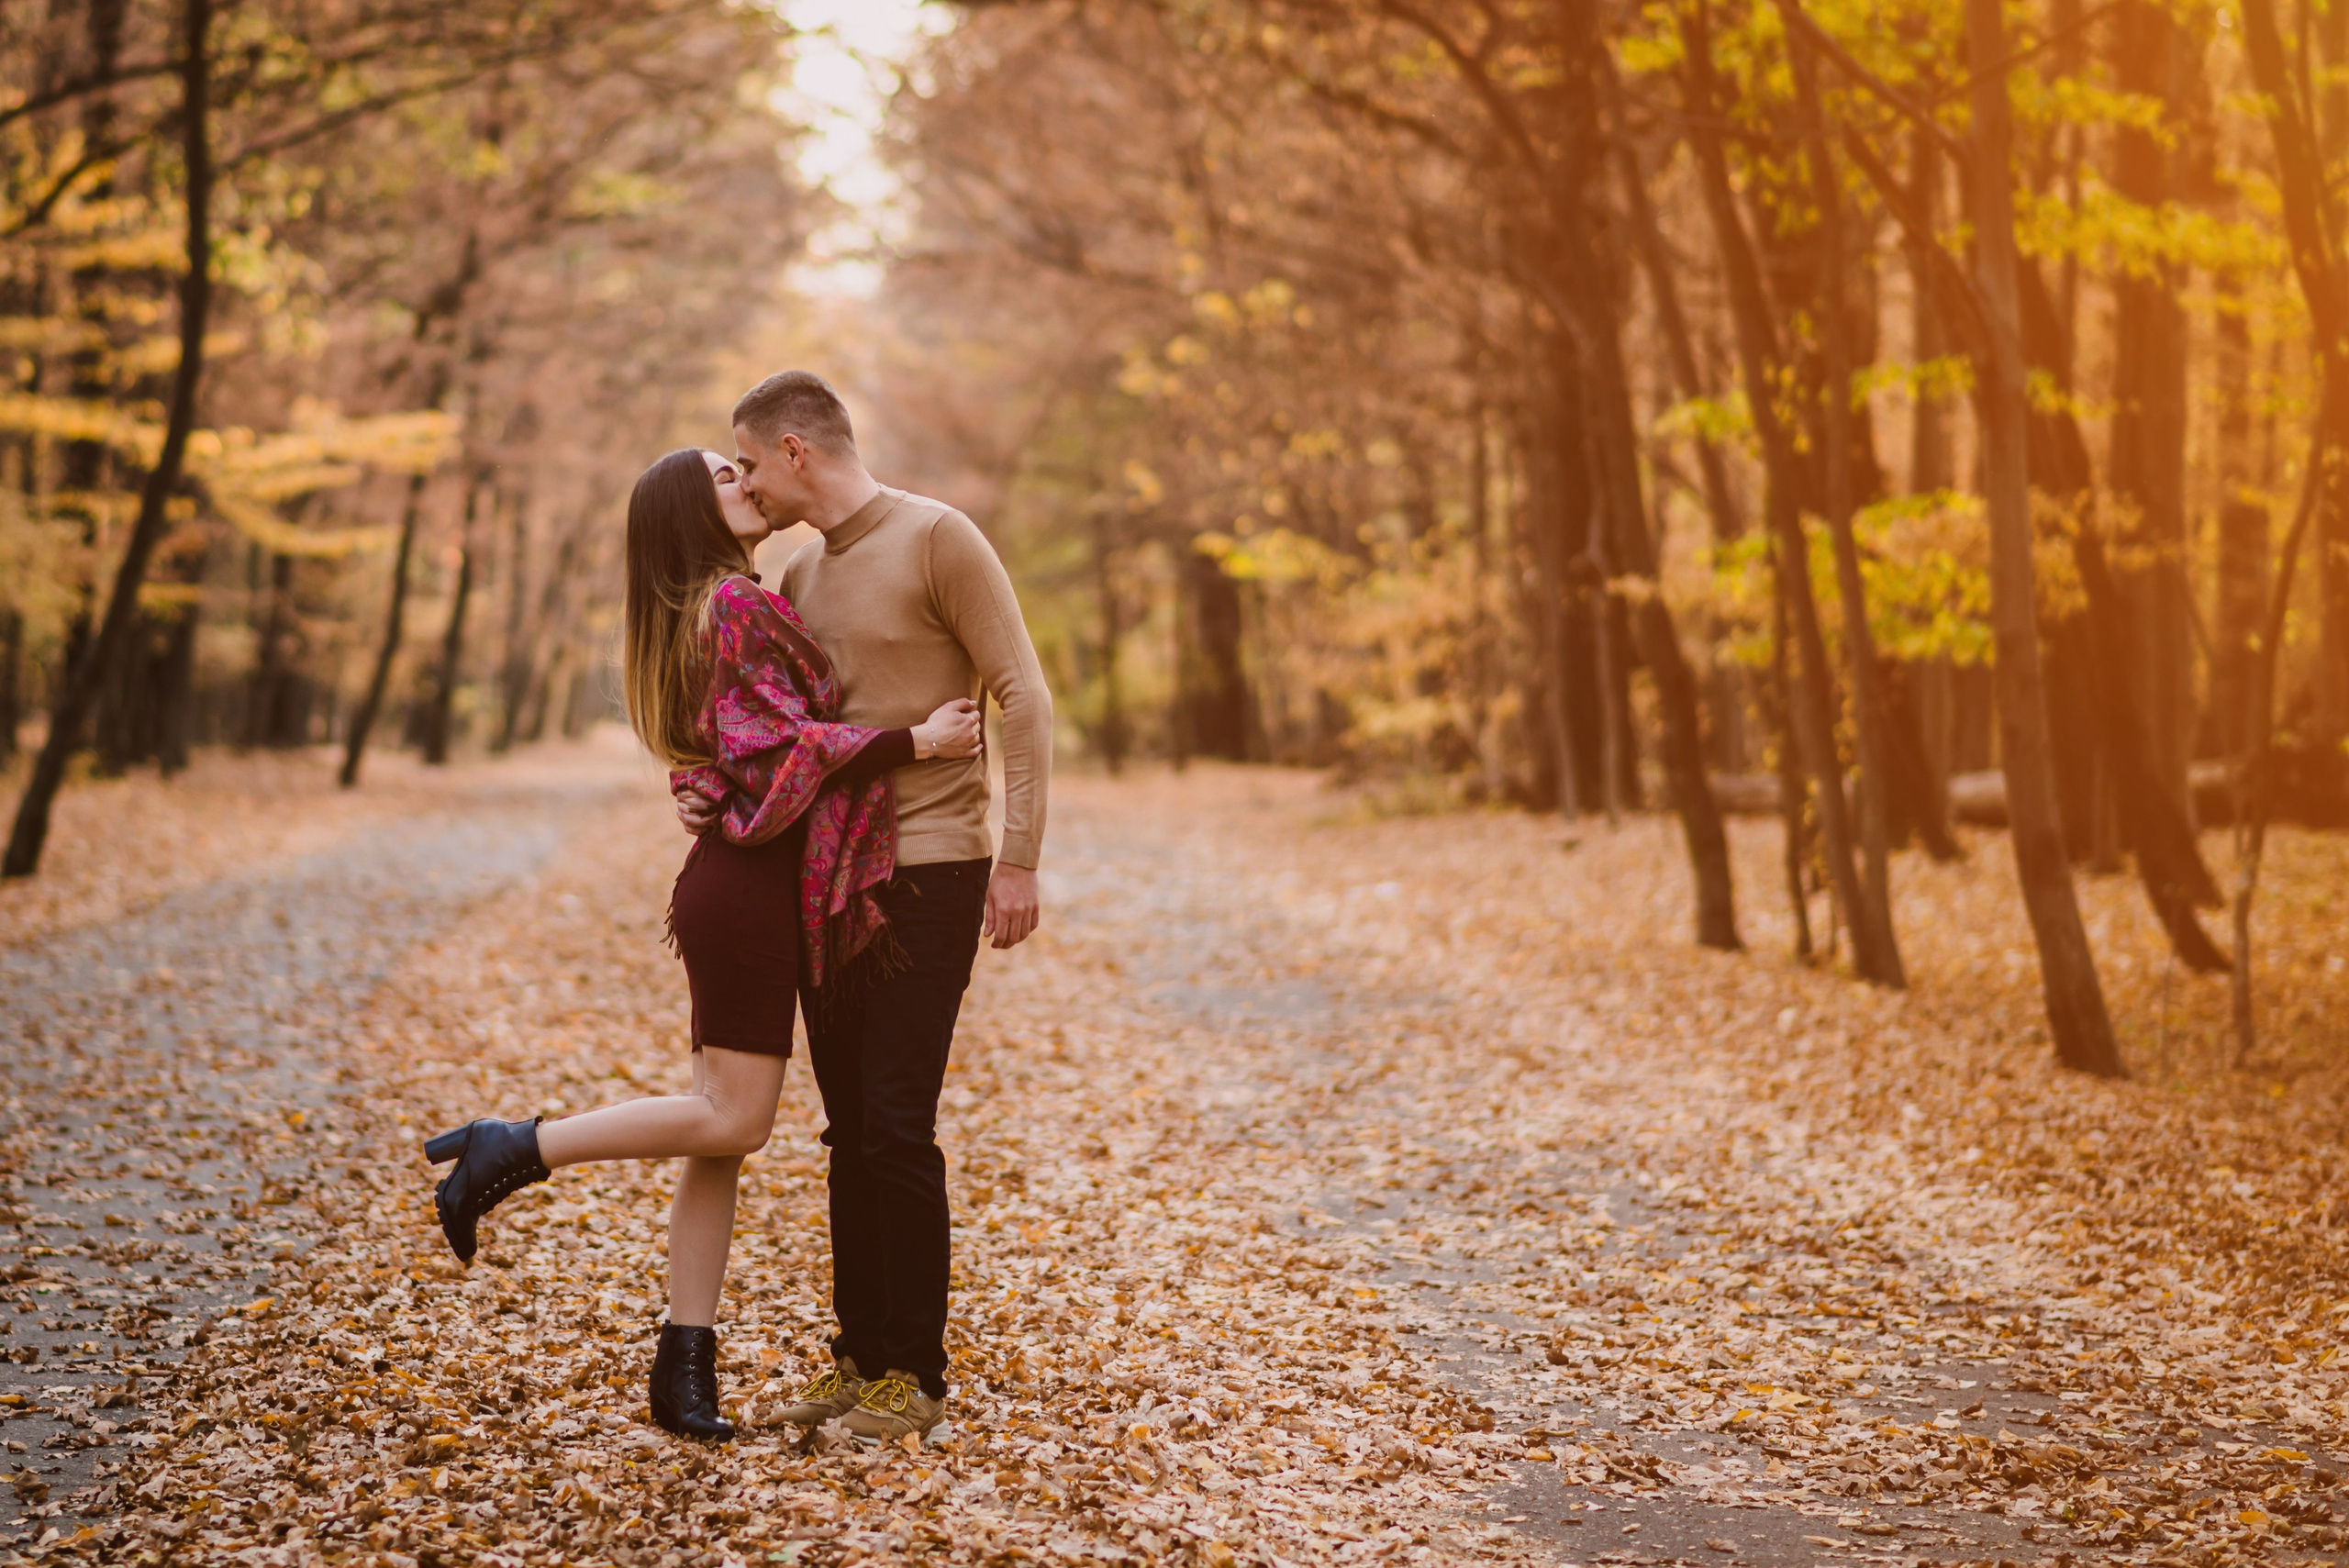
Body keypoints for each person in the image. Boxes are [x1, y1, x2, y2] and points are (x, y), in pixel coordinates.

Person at [423, 446, 983, 1442]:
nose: (750, 482)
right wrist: (914, 741)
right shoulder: (738, 606)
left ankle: (684, 1365)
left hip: (748, 878)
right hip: (751, 889)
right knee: (730, 1119)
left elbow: (737, 754)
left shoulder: (712, 609)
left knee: (716, 1131)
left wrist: (718, 783)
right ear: (697, 515)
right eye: (729, 477)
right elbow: (781, 753)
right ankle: (516, 1146)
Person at [673, 371, 1051, 1445]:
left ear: (795, 450)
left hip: (933, 866)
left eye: (746, 463)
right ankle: (862, 1357)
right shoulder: (795, 570)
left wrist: (1017, 857)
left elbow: (1021, 690)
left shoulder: (939, 537)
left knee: (894, 1120)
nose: (741, 482)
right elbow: (780, 728)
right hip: (828, 876)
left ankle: (913, 1377)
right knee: (849, 1131)